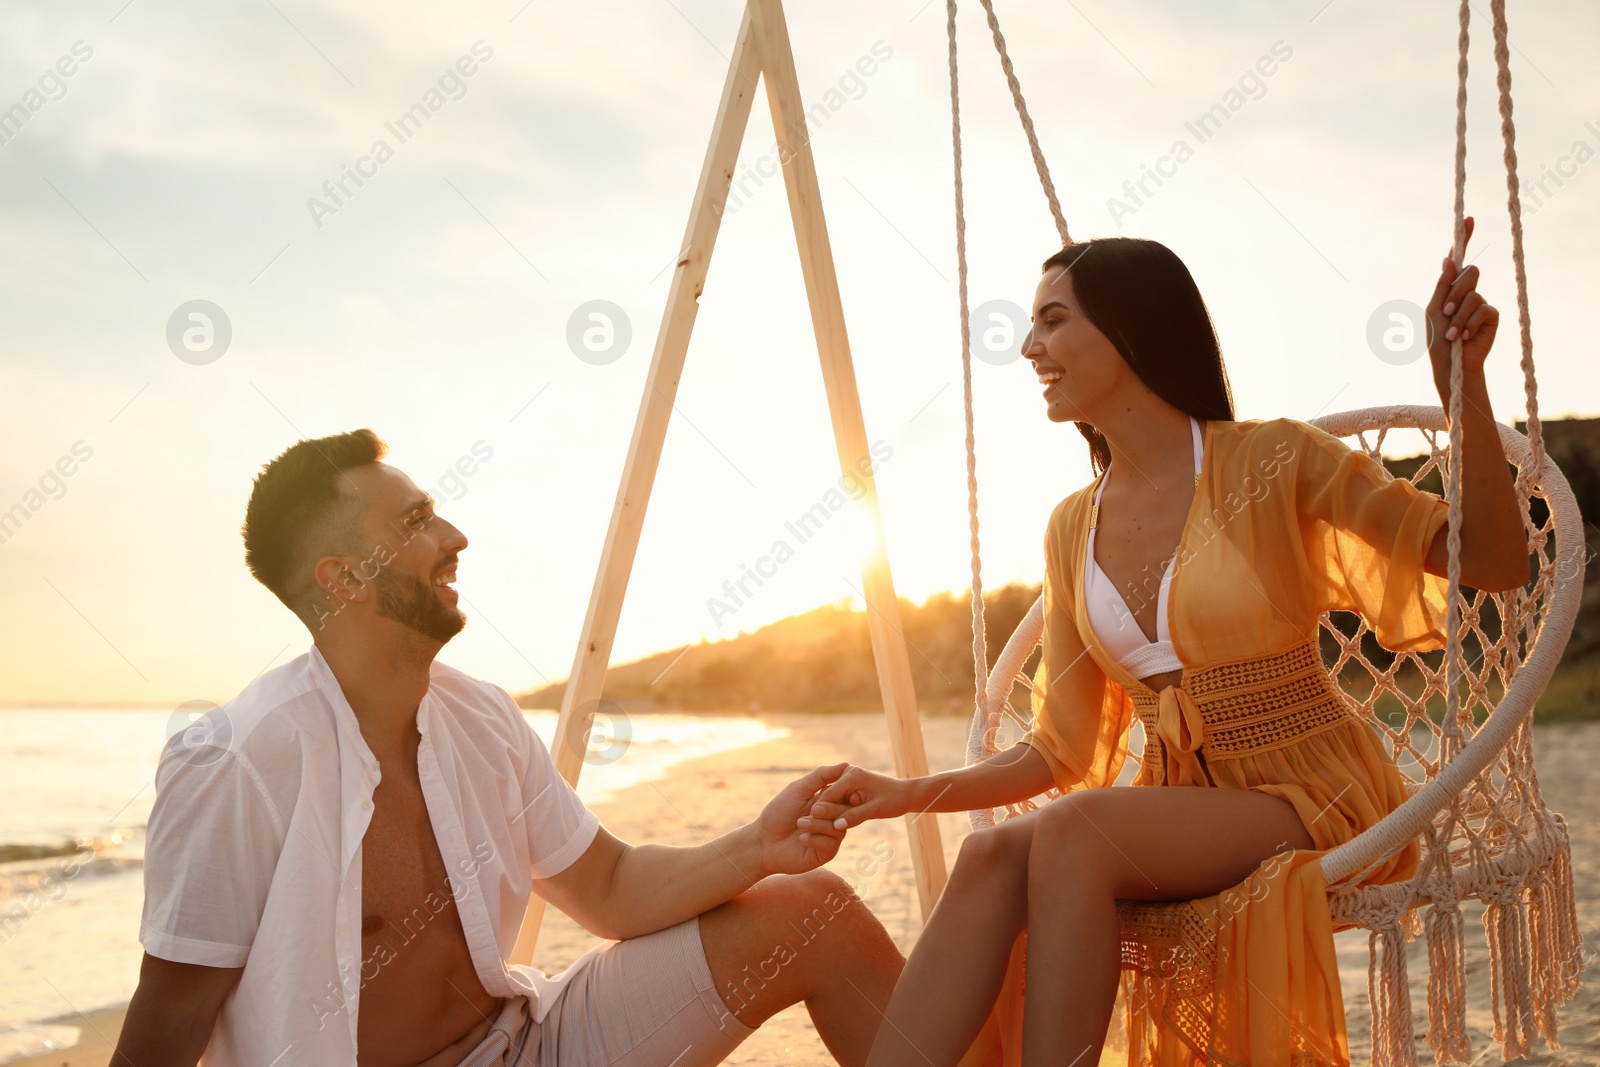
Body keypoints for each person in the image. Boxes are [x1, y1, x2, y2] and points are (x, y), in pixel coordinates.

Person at [800, 221, 1527, 1067]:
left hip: (1311, 792)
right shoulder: (1073, 524)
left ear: (1133, 327)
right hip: (1178, 807)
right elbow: (1058, 749)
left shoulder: (1275, 459)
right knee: (994, 850)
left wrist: (1461, 388)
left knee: (1075, 833)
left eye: (1053, 319)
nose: (1030, 346)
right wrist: (899, 793)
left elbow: (1493, 562)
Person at [114, 429, 903, 1067]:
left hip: (526, 1040)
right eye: (414, 521)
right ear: (346, 576)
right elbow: (171, 1018)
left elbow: (612, 885)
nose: (454, 536)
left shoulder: (480, 715)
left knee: (814, 914)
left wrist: (758, 846)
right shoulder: (236, 760)